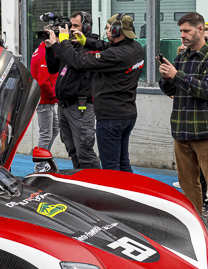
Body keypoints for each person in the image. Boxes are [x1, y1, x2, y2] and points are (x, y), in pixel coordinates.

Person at [158, 12, 208, 245]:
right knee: (188, 184)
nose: (183, 35)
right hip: (182, 129)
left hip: (207, 130)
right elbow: (170, 90)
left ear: (200, 29)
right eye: (181, 31)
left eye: (187, 31)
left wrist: (176, 75)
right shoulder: (182, 57)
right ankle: (194, 223)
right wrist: (167, 77)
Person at [47, 14, 145, 173]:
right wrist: (86, 41)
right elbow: (107, 47)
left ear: (116, 30)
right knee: (122, 162)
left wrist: (63, 42)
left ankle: (113, 197)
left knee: (110, 167)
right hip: (125, 113)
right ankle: (127, 194)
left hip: (111, 117)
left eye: (108, 29)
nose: (106, 33)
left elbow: (80, 62)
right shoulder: (135, 48)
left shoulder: (115, 55)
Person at [44, 12, 101, 170]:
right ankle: (80, 184)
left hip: (80, 107)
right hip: (64, 106)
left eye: (75, 26)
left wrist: (60, 44)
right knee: (73, 150)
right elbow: (53, 67)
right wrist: (50, 48)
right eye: (70, 26)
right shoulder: (69, 44)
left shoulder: (91, 45)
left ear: (87, 28)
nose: (70, 29)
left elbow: (77, 62)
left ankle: (95, 186)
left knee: (85, 152)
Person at [30, 36, 59, 169]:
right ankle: (39, 166)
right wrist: (55, 96)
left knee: (54, 128)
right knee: (46, 133)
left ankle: (44, 159)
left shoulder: (40, 49)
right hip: (45, 100)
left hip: (47, 99)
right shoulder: (43, 54)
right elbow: (43, 81)